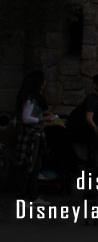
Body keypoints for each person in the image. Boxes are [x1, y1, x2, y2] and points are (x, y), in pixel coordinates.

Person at [14, 70, 55, 204]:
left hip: (35, 135)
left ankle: (32, 195)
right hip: (30, 136)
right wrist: (42, 119)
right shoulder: (30, 99)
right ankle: (23, 196)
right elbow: (26, 118)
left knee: (35, 167)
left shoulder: (33, 98)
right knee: (28, 167)